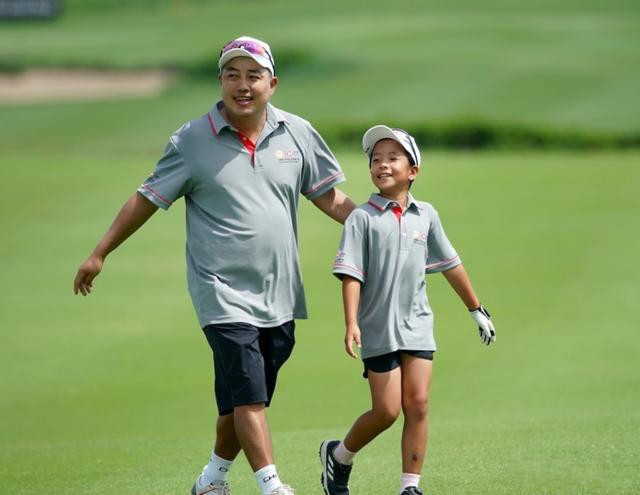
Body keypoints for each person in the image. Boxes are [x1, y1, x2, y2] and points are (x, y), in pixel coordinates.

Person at [73, 36, 356, 495]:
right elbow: (147, 199)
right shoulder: (191, 140)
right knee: (249, 396)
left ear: (273, 83)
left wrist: (375, 224)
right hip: (220, 291)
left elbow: (327, 196)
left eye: (253, 75)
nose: (242, 85)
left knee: (243, 399)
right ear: (221, 80)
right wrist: (100, 251)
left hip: (280, 291)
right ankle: (273, 485)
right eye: (232, 74)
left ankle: (211, 480)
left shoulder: (297, 133)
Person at [319, 125, 496, 495]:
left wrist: (476, 309)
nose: (382, 165)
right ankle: (339, 455)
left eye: (392, 158)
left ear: (412, 170)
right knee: (386, 412)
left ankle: (409, 487)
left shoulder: (426, 215)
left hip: (417, 323)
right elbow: (351, 274)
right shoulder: (361, 218)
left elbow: (451, 263)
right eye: (376, 159)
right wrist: (351, 322)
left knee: (417, 403)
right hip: (377, 326)